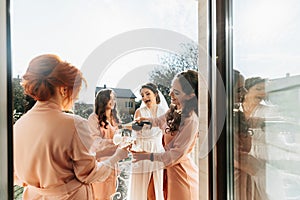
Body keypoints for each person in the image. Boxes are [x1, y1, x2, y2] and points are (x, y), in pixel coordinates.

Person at [13, 54, 128, 200]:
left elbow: (16, 176)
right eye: (76, 92)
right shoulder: (74, 125)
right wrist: (117, 156)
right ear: (63, 90)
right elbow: (90, 174)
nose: (76, 98)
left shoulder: (19, 125)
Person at [132, 69, 199, 200]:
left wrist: (146, 156)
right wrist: (145, 121)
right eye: (171, 89)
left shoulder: (191, 120)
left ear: (190, 95)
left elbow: (174, 155)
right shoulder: (174, 110)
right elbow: (159, 121)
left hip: (182, 175)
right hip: (170, 173)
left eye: (176, 92)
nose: (170, 94)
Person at [127, 83, 169, 200]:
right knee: (146, 190)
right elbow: (135, 135)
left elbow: (166, 133)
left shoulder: (163, 111)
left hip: (157, 151)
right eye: (142, 95)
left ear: (155, 94)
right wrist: (134, 147)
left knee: (157, 189)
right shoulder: (139, 112)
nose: (145, 98)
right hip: (143, 152)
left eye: (147, 94)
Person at [87, 88, 121, 200]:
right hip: (100, 163)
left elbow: (118, 139)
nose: (112, 101)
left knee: (110, 194)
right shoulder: (93, 118)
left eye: (113, 98)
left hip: (113, 163)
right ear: (102, 100)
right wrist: (112, 142)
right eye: (109, 98)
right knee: (99, 195)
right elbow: (95, 142)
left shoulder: (114, 119)